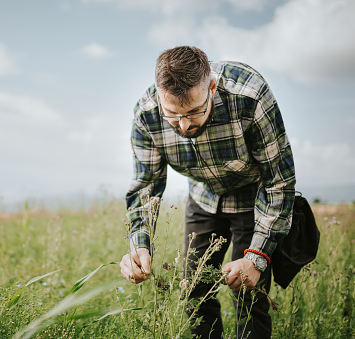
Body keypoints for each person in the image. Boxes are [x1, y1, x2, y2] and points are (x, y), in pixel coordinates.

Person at [119, 46, 295, 339]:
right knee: (194, 291)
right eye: (172, 115)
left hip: (253, 198)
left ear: (212, 86)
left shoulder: (250, 96)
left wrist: (257, 257)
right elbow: (145, 187)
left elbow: (279, 181)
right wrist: (140, 245)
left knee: (248, 295)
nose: (184, 125)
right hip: (203, 198)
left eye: (194, 112)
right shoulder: (146, 115)